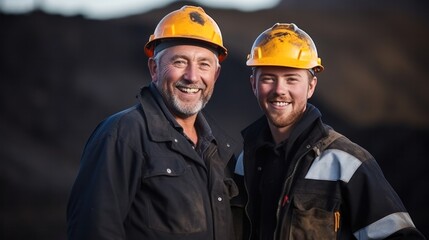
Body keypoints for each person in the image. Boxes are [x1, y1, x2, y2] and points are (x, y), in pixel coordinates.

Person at [233, 23, 426, 239]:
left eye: (291, 79)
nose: (279, 90)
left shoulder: (346, 163)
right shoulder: (245, 162)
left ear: (311, 86)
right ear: (253, 85)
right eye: (268, 78)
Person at [67, 5, 239, 240]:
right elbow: (93, 230)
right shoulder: (122, 135)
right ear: (154, 68)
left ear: (216, 75)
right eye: (179, 62)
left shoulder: (219, 151)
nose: (192, 75)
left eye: (204, 64)